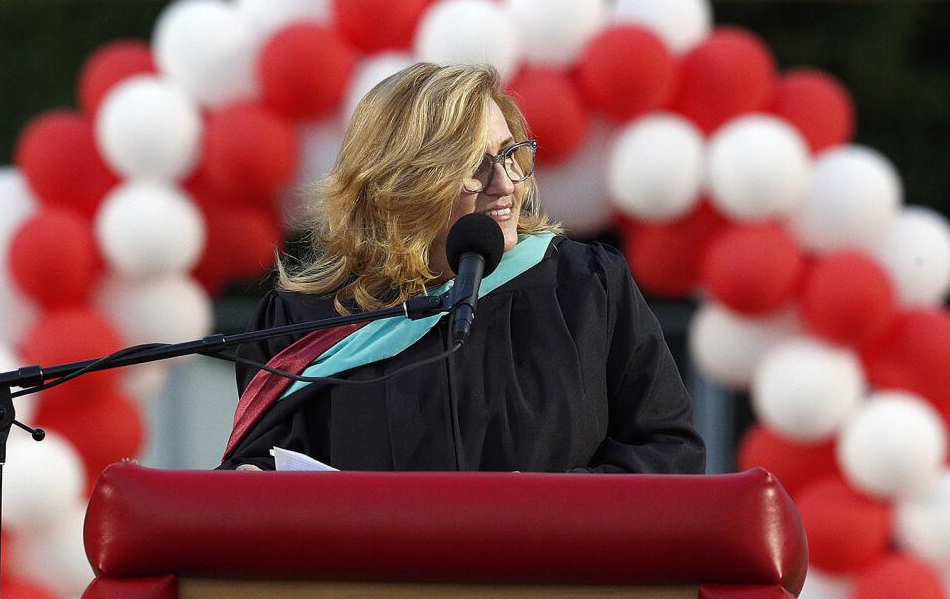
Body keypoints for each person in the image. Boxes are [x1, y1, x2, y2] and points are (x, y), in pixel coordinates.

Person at [218, 62, 705, 474]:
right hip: (370, 587)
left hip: (553, 581)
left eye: (512, 154)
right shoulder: (303, 321)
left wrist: (547, 512)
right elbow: (261, 473)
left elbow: (667, 453)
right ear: (401, 182)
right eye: (474, 165)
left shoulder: (586, 290)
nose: (506, 183)